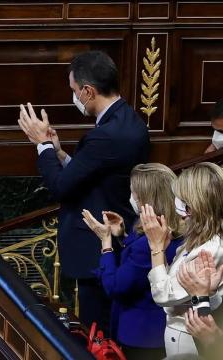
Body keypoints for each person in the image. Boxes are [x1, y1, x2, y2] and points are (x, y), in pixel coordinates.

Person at [17, 50, 150, 329]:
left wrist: (41, 145)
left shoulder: (104, 136)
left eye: (75, 90)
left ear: (88, 91)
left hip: (99, 246)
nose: (74, 96)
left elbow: (61, 187)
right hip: (116, 238)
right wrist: (61, 154)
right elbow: (97, 172)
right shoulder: (130, 121)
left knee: (98, 333)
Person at [82, 163, 183, 360]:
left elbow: (115, 286)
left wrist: (106, 243)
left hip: (142, 336)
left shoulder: (147, 244)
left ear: (146, 199)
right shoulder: (176, 229)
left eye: (134, 193)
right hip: (164, 333)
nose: (131, 198)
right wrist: (122, 235)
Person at [142, 162, 223, 356]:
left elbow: (164, 295)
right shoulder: (198, 240)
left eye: (181, 201)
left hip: (190, 338)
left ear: (194, 205)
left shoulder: (209, 250)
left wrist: (156, 249)